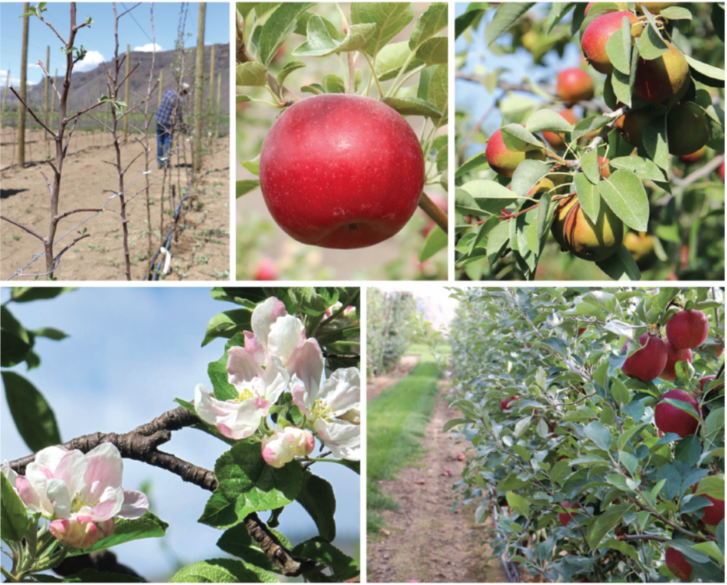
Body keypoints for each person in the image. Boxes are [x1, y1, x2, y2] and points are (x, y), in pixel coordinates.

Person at [155, 82, 189, 169]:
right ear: (184, 92)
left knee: (159, 141)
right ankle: (166, 162)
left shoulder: (168, 92)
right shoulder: (179, 100)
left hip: (159, 119)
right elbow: (179, 114)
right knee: (167, 141)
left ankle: (160, 162)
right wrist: (182, 125)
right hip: (168, 122)